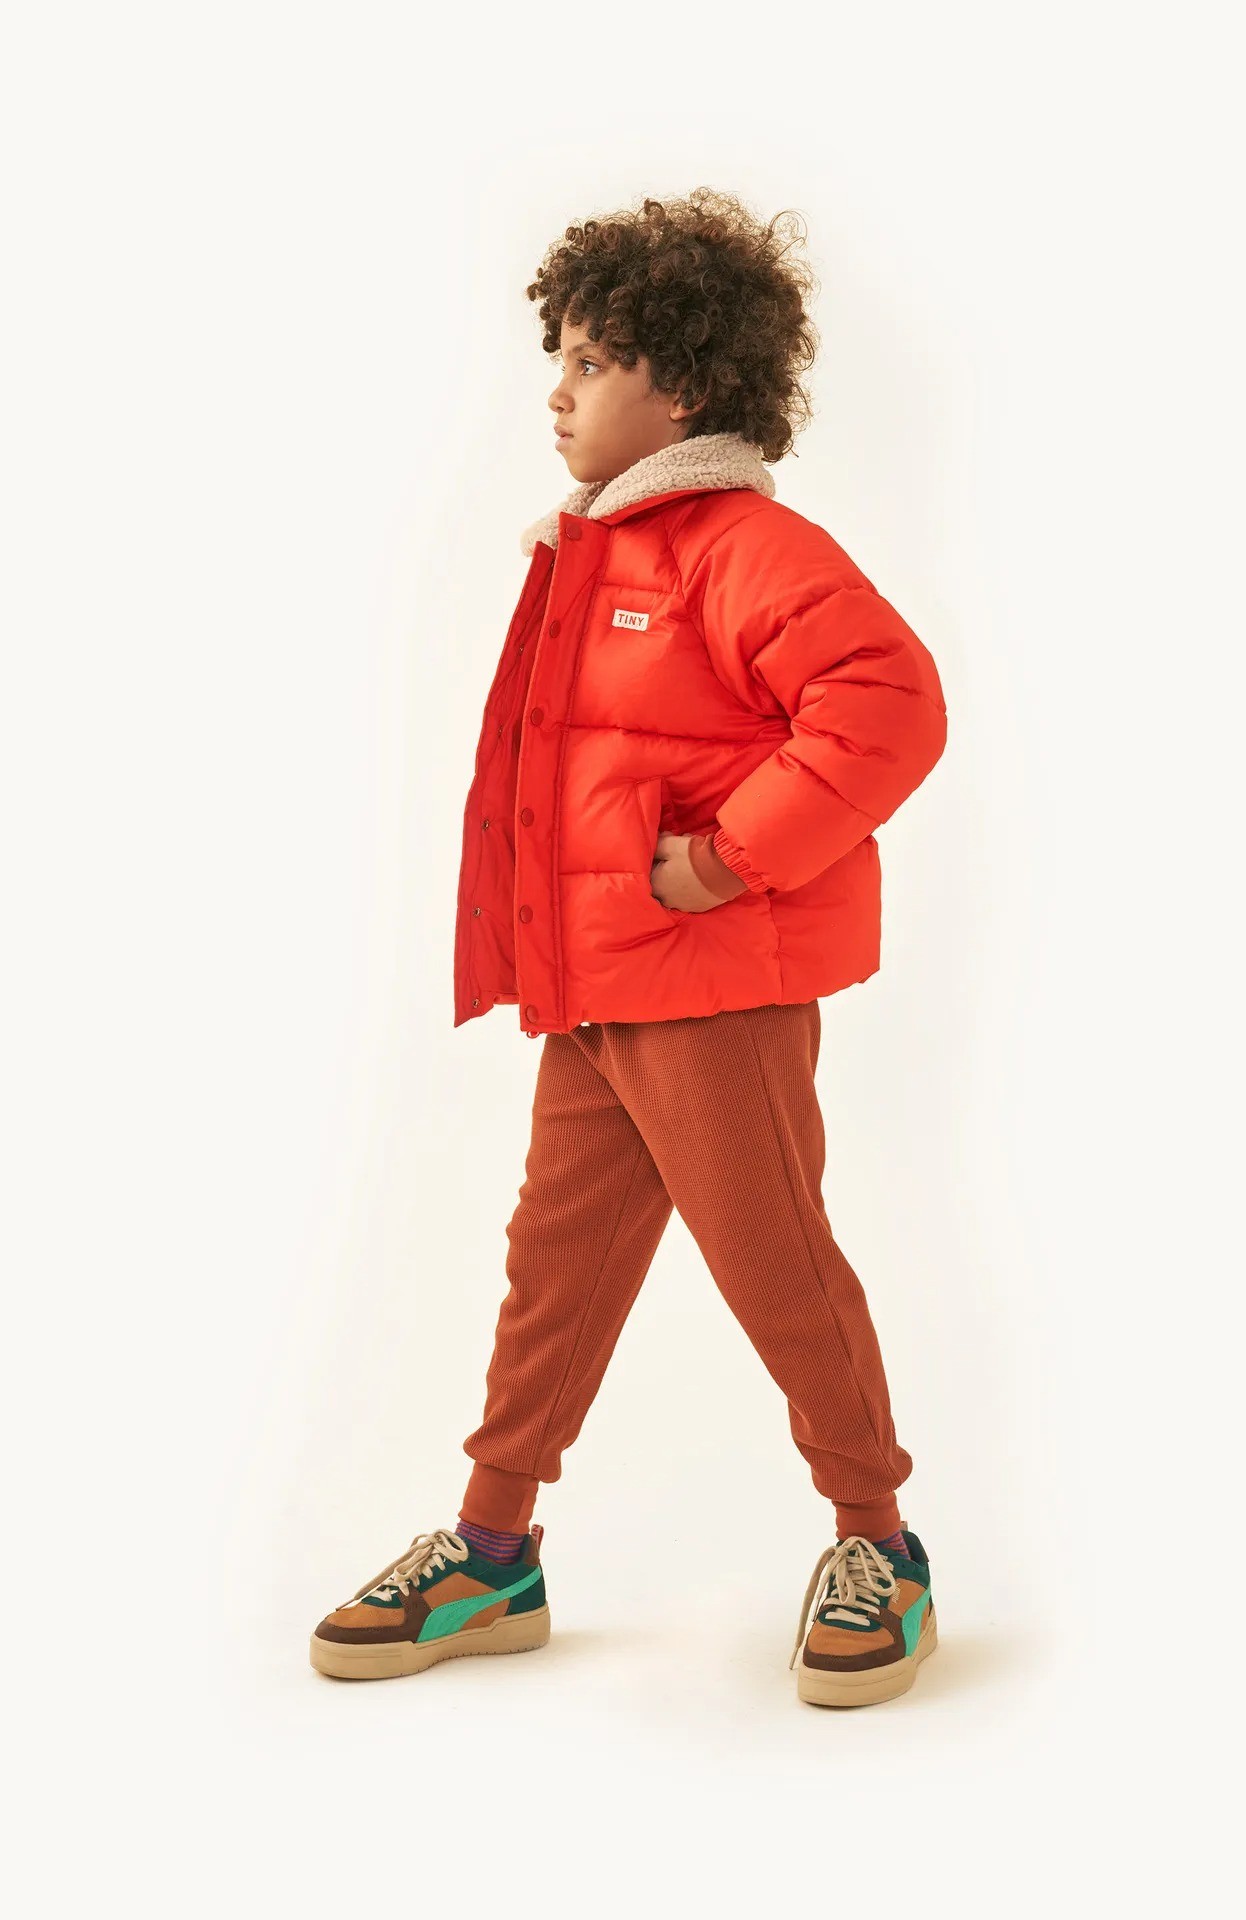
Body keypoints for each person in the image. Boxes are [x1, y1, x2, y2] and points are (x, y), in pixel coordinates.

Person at [310, 189, 947, 1707]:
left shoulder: (744, 549)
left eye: (595, 363)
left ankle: (879, 1541)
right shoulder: (598, 552)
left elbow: (889, 703)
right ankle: (493, 1549)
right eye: (563, 359)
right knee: (553, 1268)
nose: (559, 391)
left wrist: (727, 862)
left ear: (692, 388)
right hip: (597, 993)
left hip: (712, 994)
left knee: (774, 1263)